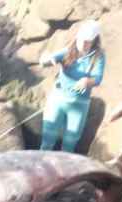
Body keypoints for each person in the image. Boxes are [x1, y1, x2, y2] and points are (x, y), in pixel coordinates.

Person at [38, 20, 105, 152]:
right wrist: (46, 60)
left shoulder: (99, 57)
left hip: (79, 105)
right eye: (81, 40)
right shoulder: (68, 51)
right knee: (47, 138)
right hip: (58, 99)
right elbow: (48, 60)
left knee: (71, 141)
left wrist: (87, 81)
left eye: (87, 41)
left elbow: (98, 78)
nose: (84, 44)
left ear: (94, 41)